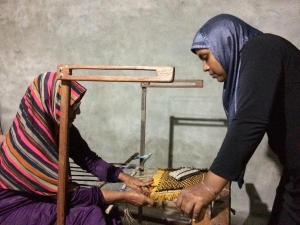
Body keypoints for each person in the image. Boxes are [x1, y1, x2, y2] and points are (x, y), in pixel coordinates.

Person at [175, 14, 300, 225]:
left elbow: (250, 120)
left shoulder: (262, 47)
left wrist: (209, 186)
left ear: (225, 42)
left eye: (205, 56)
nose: (205, 68)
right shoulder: (259, 58)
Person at [0, 71, 154, 225]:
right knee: (88, 216)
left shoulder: (63, 130)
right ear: (53, 105)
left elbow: (90, 161)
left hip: (48, 197)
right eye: (74, 106)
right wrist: (125, 196)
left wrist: (127, 178)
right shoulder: (28, 145)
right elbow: (65, 194)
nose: (79, 111)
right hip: (14, 208)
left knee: (101, 212)